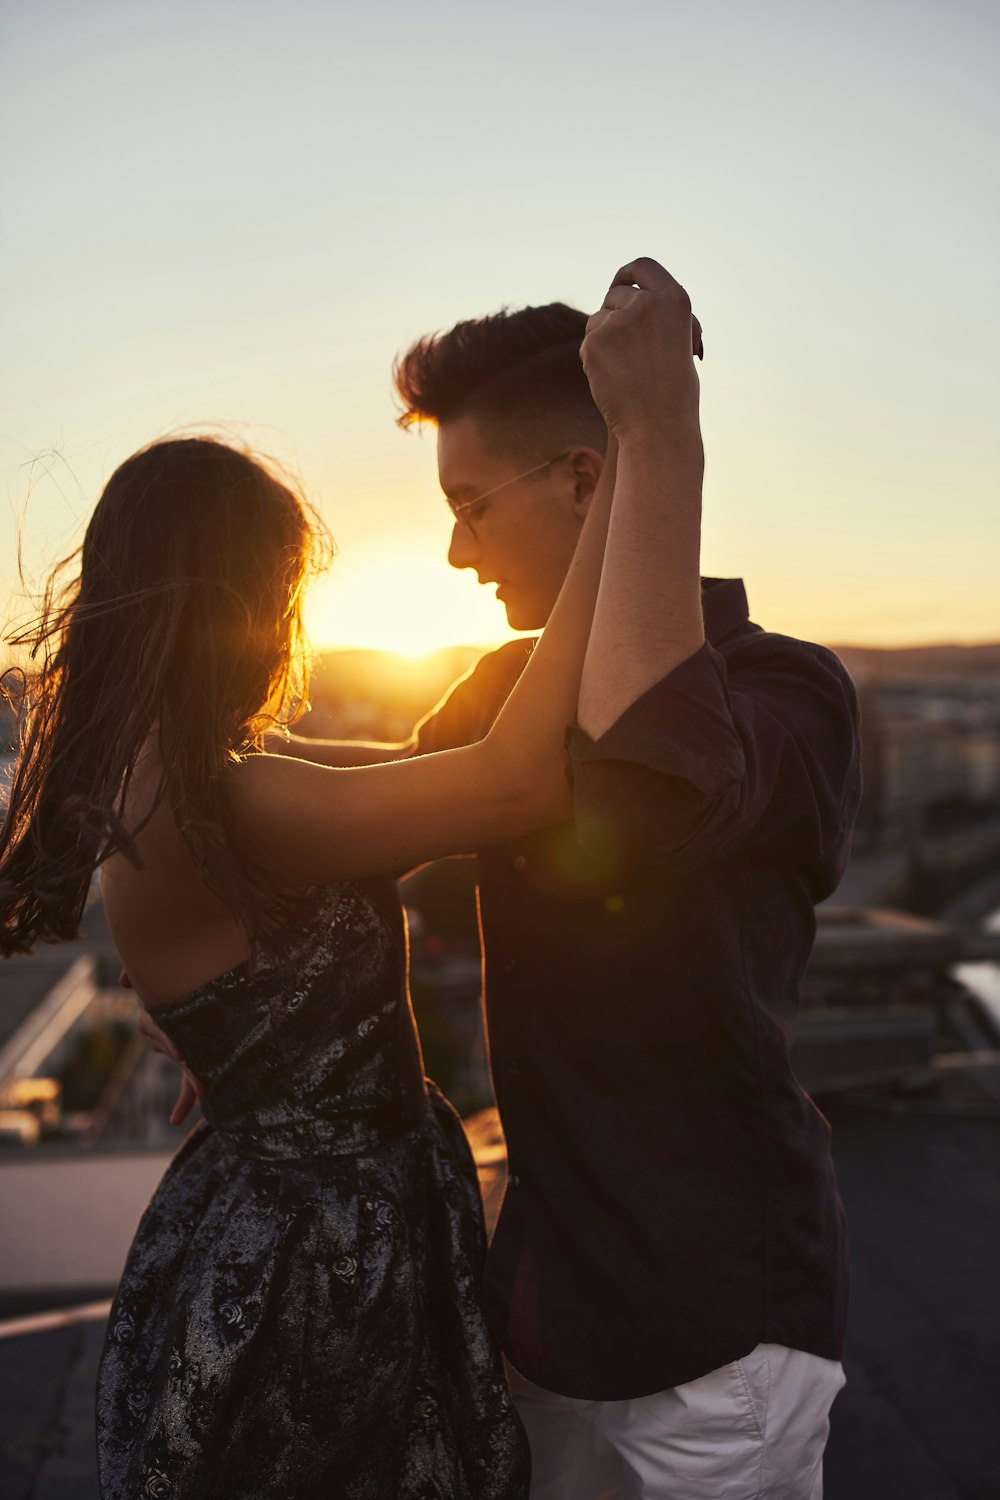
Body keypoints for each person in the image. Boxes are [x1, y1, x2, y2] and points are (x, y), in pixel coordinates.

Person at [0, 260, 707, 1499]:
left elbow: (423, 774)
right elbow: (504, 785)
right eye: (283, 589)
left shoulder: (192, 779)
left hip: (300, 1227)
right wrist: (622, 488)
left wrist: (255, 1052)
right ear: (233, 597)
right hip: (314, 1265)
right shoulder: (231, 797)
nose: (290, 621)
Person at [194, 261, 860, 1499]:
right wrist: (252, 1038)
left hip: (718, 1327)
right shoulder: (504, 696)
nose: (453, 553)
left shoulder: (791, 693)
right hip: (550, 1311)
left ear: (586, 480)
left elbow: (644, 785)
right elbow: (359, 823)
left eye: (469, 505)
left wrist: (664, 432)